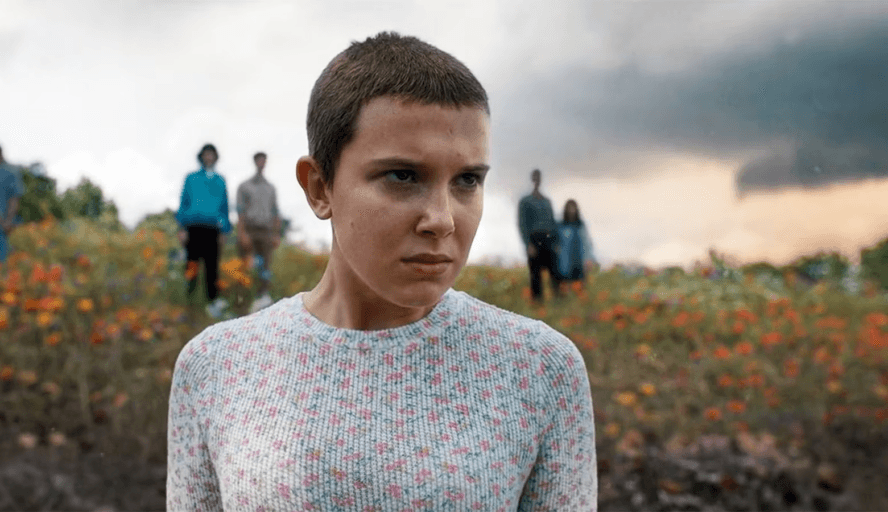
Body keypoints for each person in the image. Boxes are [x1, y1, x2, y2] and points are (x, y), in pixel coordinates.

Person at [167, 32, 597, 510]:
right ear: (319, 187)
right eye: (403, 176)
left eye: (467, 180)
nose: (442, 220)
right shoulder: (215, 367)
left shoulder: (541, 369)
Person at [175, 143, 231, 318]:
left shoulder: (220, 180)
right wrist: (181, 227)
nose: (209, 157)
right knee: (191, 264)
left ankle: (212, 302)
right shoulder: (191, 178)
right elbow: (184, 202)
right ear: (201, 157)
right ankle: (190, 300)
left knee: (212, 267)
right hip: (193, 227)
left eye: (211, 154)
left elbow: (225, 207)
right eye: (206, 154)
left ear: (215, 157)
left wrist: (225, 230)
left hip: (213, 229)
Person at [235, 151, 282, 313]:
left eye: (264, 160)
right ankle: (242, 302)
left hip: (266, 232)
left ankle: (262, 302)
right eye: (259, 160)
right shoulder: (244, 186)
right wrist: (242, 233)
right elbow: (240, 211)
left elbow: (275, 212)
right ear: (255, 162)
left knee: (265, 268)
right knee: (246, 266)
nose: (262, 163)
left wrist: (276, 234)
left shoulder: (270, 188)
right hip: (250, 230)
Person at [518, 168, 560, 301]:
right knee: (535, 273)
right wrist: (528, 244)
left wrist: (556, 241)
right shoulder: (526, 201)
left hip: (549, 238)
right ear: (532, 179)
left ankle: (558, 299)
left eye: (539, 177)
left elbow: (553, 222)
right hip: (535, 239)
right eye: (535, 177)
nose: (537, 180)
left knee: (555, 271)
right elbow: (523, 224)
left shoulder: (546, 201)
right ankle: (537, 302)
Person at [554, 199, 595, 297]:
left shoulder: (580, 225)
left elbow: (586, 243)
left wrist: (588, 259)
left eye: (573, 208)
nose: (571, 211)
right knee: (565, 289)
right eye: (569, 208)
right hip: (564, 263)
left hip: (579, 262)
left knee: (579, 289)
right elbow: (555, 243)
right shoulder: (560, 225)